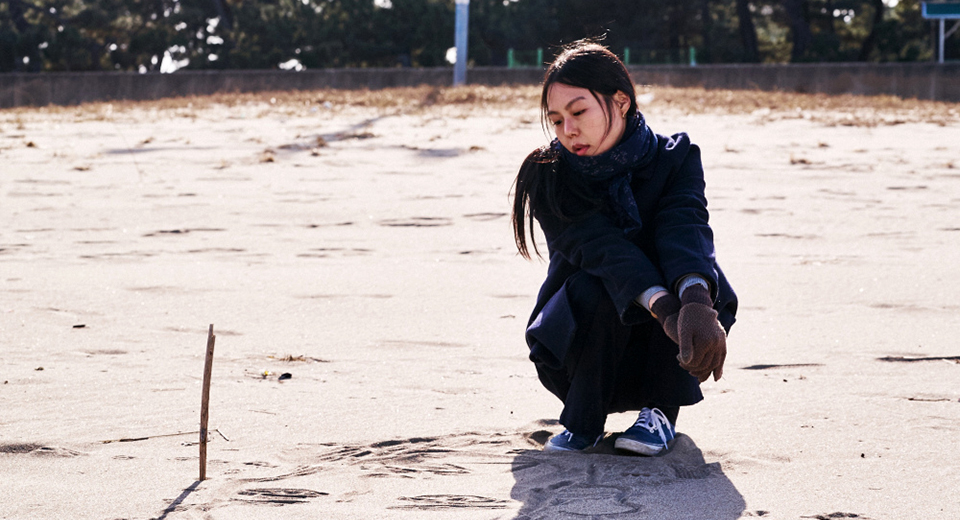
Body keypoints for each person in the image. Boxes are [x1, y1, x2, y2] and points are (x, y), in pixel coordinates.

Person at [511, 40, 737, 455]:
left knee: (699, 277)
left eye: (578, 112)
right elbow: (601, 249)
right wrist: (665, 309)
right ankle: (584, 421)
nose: (568, 130)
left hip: (665, 353)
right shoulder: (549, 175)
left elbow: (684, 225)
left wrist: (693, 303)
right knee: (598, 283)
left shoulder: (677, 158)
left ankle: (660, 414)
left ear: (621, 101)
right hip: (579, 345)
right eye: (556, 119)